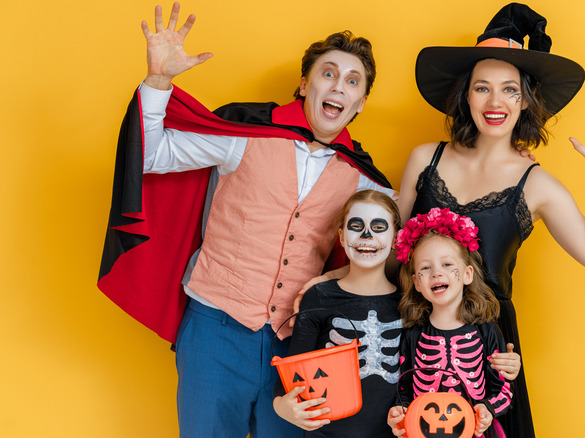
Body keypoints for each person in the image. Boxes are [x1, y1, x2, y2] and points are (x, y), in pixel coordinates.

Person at [97, 3, 394, 438]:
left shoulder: (365, 180)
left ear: (361, 102)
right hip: (215, 329)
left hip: (299, 344)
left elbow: (392, 252)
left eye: (353, 81)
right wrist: (158, 79)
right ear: (305, 83)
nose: (339, 86)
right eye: (328, 73)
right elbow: (153, 154)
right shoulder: (245, 135)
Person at [397, 3, 585, 437]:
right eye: (482, 88)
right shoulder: (424, 158)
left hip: (489, 355)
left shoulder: (537, 184)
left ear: (526, 100)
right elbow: (385, 251)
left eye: (510, 90)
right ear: (464, 95)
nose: (495, 102)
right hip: (412, 336)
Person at [273, 190, 403, 437]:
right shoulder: (319, 296)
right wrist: (280, 404)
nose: (367, 235)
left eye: (378, 227)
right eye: (357, 226)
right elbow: (293, 369)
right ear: (342, 237)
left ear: (395, 238)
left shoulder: (408, 301)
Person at [388, 208, 512, 438]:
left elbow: (503, 389)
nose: (436, 272)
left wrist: (488, 409)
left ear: (467, 274)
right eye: (425, 268)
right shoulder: (412, 333)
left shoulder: (487, 330)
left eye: (446, 264)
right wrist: (400, 411)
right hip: (423, 431)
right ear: (416, 282)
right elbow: (403, 389)